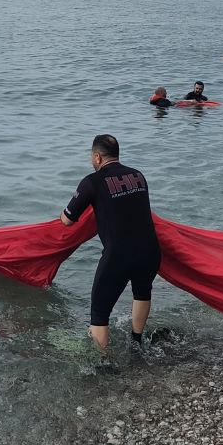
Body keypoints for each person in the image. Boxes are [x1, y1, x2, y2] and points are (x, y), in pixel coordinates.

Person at [59, 134, 161, 352]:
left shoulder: (92, 182)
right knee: (142, 292)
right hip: (150, 251)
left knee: (99, 313)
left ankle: (103, 366)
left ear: (97, 157)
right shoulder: (138, 175)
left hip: (119, 256)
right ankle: (136, 343)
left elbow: (67, 220)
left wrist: (61, 215)